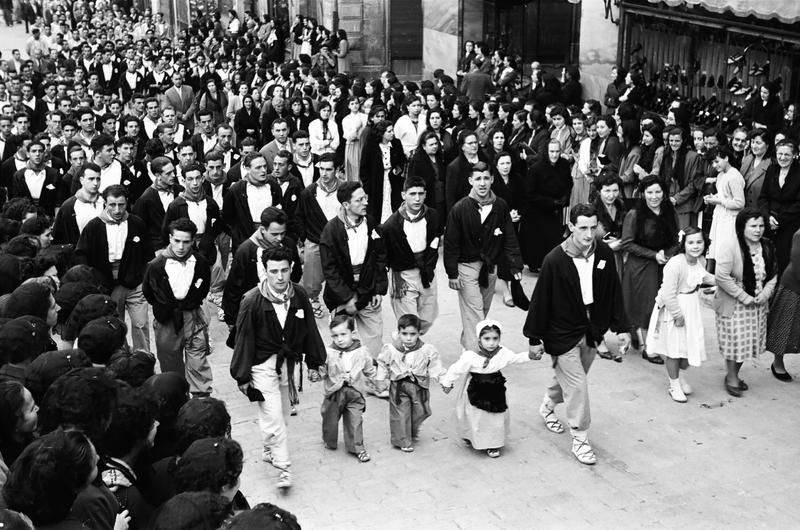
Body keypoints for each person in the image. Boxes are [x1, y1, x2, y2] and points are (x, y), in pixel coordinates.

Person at [524, 203, 631, 465]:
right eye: (582, 227)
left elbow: (614, 291)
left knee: (573, 380)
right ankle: (580, 438)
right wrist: (534, 339)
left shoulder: (604, 252)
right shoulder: (555, 260)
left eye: (593, 227)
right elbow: (541, 300)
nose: (588, 234)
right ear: (571, 226)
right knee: (579, 386)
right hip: (561, 331)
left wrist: (622, 328)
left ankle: (548, 405)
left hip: (592, 328)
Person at [230, 246, 326, 490]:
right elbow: (243, 339)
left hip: (288, 365)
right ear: (265, 271)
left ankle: (268, 446)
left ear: (292, 268)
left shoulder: (300, 295)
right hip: (261, 366)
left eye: (284, 270)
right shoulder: (252, 300)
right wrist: (242, 376)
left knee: (282, 414)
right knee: (273, 418)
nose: (280, 277)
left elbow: (311, 330)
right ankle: (284, 468)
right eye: (274, 271)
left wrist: (314, 361)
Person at [444, 162, 522, 351]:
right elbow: (451, 243)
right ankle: (477, 356)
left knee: (483, 310)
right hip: (466, 266)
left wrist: (515, 265)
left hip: (490, 266)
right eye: (478, 179)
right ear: (470, 181)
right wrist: (452, 273)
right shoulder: (460, 209)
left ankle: (468, 342)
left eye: (486, 178)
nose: (482, 183)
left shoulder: (500, 206)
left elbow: (510, 237)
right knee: (475, 311)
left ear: (492, 180)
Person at [319, 181, 388, 397]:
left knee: (375, 339)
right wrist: (346, 298)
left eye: (365, 198)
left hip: (368, 290)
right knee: (341, 340)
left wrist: (378, 289)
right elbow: (329, 270)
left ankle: (375, 381)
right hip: (342, 294)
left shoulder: (372, 224)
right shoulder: (331, 230)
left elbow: (379, 258)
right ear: (346, 204)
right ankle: (338, 383)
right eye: (360, 200)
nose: (365, 203)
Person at [440, 319, 535, 458]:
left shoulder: (502, 353)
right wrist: (447, 383)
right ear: (479, 339)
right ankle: (471, 436)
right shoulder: (471, 355)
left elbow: (514, 358)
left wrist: (529, 355)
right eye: (487, 339)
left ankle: (493, 443)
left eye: (495, 338)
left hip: (495, 388)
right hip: (475, 387)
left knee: (494, 419)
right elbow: (456, 369)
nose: (491, 343)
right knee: (474, 416)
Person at [76, 184, 153, 353]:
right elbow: (82, 254)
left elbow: (147, 254)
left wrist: (143, 276)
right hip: (107, 285)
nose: (117, 210)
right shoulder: (94, 226)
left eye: (121, 205)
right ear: (105, 204)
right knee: (115, 327)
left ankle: (144, 357)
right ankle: (120, 359)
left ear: (127, 204)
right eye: (112, 205)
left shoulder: (136, 223)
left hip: (134, 284)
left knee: (140, 324)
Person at [143, 218, 213, 397]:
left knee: (198, 361)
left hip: (194, 317)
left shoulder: (201, 263)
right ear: (170, 238)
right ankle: (177, 399)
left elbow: (204, 288)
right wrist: (165, 308)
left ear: (193, 241)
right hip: (167, 321)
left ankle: (201, 400)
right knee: (171, 366)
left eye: (186, 242)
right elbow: (149, 292)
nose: (181, 246)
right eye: (177, 241)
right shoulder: (156, 266)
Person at [645, 227, 715, 402]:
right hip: (675, 306)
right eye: (690, 242)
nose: (695, 246)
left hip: (691, 307)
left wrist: (721, 279)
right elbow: (668, 293)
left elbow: (703, 276)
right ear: (683, 244)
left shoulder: (700, 261)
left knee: (687, 349)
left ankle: (679, 375)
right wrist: (677, 315)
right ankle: (674, 384)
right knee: (674, 349)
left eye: (699, 242)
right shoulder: (675, 264)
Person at [713, 208, 777, 397]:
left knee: (747, 343)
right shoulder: (730, 245)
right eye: (753, 226)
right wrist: (744, 296)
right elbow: (721, 277)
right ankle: (731, 377)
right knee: (735, 342)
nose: (758, 230)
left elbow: (773, 274)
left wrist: (765, 293)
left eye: (761, 225)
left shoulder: (767, 245)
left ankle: (735, 374)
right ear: (742, 227)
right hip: (734, 302)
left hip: (758, 303)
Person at [621, 176, 679, 364]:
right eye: (650, 192)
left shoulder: (670, 211)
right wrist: (653, 255)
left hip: (665, 264)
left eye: (658, 192)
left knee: (663, 303)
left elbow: (676, 239)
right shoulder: (635, 214)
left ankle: (644, 335)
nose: (654, 196)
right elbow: (627, 243)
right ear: (643, 193)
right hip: (641, 265)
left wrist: (667, 254)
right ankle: (648, 348)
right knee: (647, 306)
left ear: (664, 193)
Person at [376, 314, 444, 453]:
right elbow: (382, 363)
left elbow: (435, 366)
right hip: (399, 386)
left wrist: (443, 380)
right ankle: (402, 440)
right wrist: (380, 379)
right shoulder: (391, 349)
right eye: (404, 334)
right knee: (401, 413)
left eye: (412, 334)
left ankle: (411, 428)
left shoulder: (426, 350)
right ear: (399, 332)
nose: (408, 338)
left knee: (421, 411)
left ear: (419, 333)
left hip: (419, 386)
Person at [380, 176, 439, 333]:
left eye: (421, 193)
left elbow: (435, 240)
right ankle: (408, 345)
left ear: (426, 194)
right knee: (409, 323)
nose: (417, 198)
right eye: (412, 194)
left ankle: (403, 340)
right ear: (403, 195)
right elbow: (383, 257)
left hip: (426, 272)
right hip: (403, 275)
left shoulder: (432, 216)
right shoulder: (391, 225)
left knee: (428, 316)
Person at [319, 315, 376, 463]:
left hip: (355, 392)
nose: (339, 339)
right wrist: (315, 372)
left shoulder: (362, 351)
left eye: (343, 334)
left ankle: (358, 447)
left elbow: (369, 369)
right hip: (334, 393)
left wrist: (378, 377)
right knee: (330, 419)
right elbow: (323, 372)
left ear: (353, 333)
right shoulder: (328, 353)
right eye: (335, 336)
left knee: (355, 420)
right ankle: (329, 440)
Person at [296, 154, 341, 318]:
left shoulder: (344, 190)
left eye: (329, 169)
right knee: (312, 280)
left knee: (338, 277)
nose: (324, 173)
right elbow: (299, 216)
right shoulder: (309, 192)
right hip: (314, 242)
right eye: (321, 169)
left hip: (338, 243)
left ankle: (336, 307)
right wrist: (305, 237)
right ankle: (312, 301)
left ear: (336, 170)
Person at [520, 139, 573, 271]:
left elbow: (568, 183)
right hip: (537, 209)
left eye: (557, 151)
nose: (554, 155)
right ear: (546, 152)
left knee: (554, 238)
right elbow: (530, 193)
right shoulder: (536, 168)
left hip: (556, 208)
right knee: (539, 240)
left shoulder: (564, 165)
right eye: (551, 152)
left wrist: (564, 198)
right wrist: (551, 202)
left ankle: (552, 266)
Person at [758, 140, 800, 276]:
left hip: (789, 226)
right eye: (779, 154)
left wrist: (779, 221)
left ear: (794, 155)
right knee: (765, 262)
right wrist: (767, 217)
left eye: (787, 154)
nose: (782, 157)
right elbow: (763, 197)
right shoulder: (772, 169)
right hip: (768, 223)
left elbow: (798, 204)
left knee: (783, 264)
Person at [359, 119, 406, 223]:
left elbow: (401, 161)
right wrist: (367, 187)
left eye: (392, 130)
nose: (392, 133)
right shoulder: (370, 147)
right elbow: (364, 169)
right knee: (377, 206)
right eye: (389, 131)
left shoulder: (396, 144)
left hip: (393, 180)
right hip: (376, 181)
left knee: (393, 201)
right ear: (381, 133)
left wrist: (396, 170)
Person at [704, 146, 745, 261]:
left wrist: (719, 201)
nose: (714, 165)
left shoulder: (734, 176)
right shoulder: (721, 174)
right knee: (716, 252)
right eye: (712, 163)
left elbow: (739, 203)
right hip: (720, 217)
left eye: (717, 161)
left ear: (726, 158)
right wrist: (713, 197)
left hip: (730, 220)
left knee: (727, 253)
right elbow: (725, 194)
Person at [659, 126, 703, 228]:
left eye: (677, 141)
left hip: (684, 206)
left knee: (681, 237)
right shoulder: (666, 154)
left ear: (683, 141)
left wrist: (676, 199)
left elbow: (693, 183)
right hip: (666, 203)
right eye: (671, 140)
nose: (673, 143)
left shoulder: (693, 157)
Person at [0, 381, 38, 468]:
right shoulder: (16, 464)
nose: (37, 408)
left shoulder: (30, 440)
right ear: (15, 424)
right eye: (32, 409)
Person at [740, 129, 772, 208]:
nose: (754, 146)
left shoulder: (771, 165)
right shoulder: (747, 159)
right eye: (753, 142)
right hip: (742, 208)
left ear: (767, 145)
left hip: (758, 210)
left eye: (758, 143)